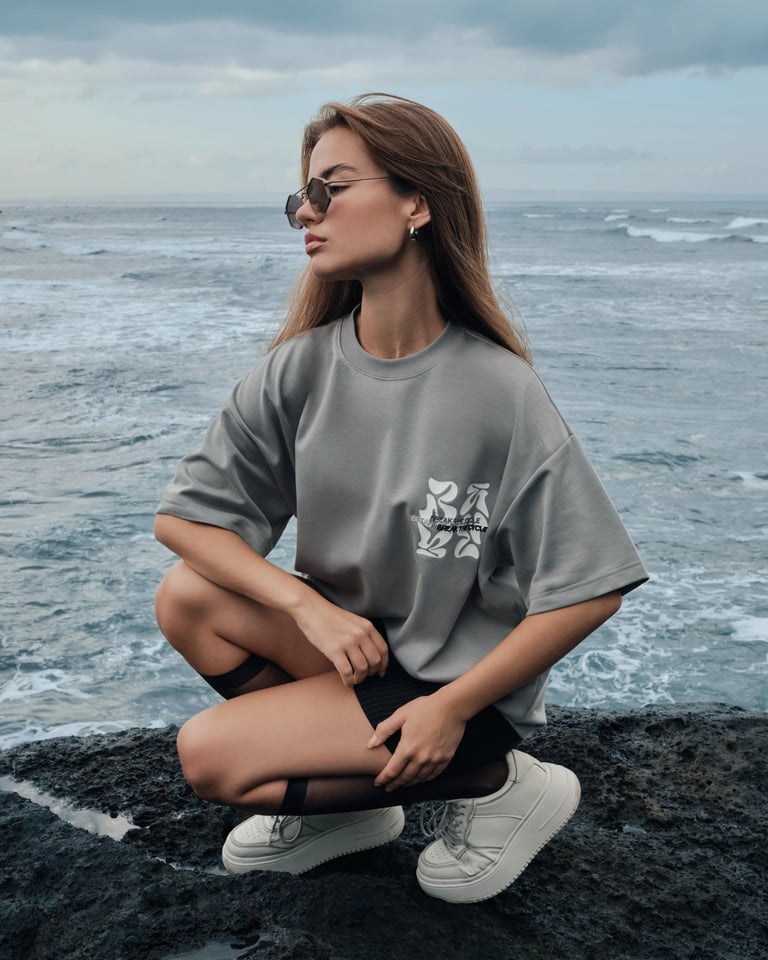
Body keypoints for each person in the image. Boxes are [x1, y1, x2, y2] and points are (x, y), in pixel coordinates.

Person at [153, 93, 648, 904]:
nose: (305, 213)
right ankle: (342, 815)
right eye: (301, 197)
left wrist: (453, 708)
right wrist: (308, 608)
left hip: (458, 686)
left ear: (417, 201)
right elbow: (185, 520)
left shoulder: (499, 391)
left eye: (332, 189)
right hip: (366, 653)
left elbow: (592, 587)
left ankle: (496, 783)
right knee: (188, 598)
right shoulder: (299, 368)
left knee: (210, 755)